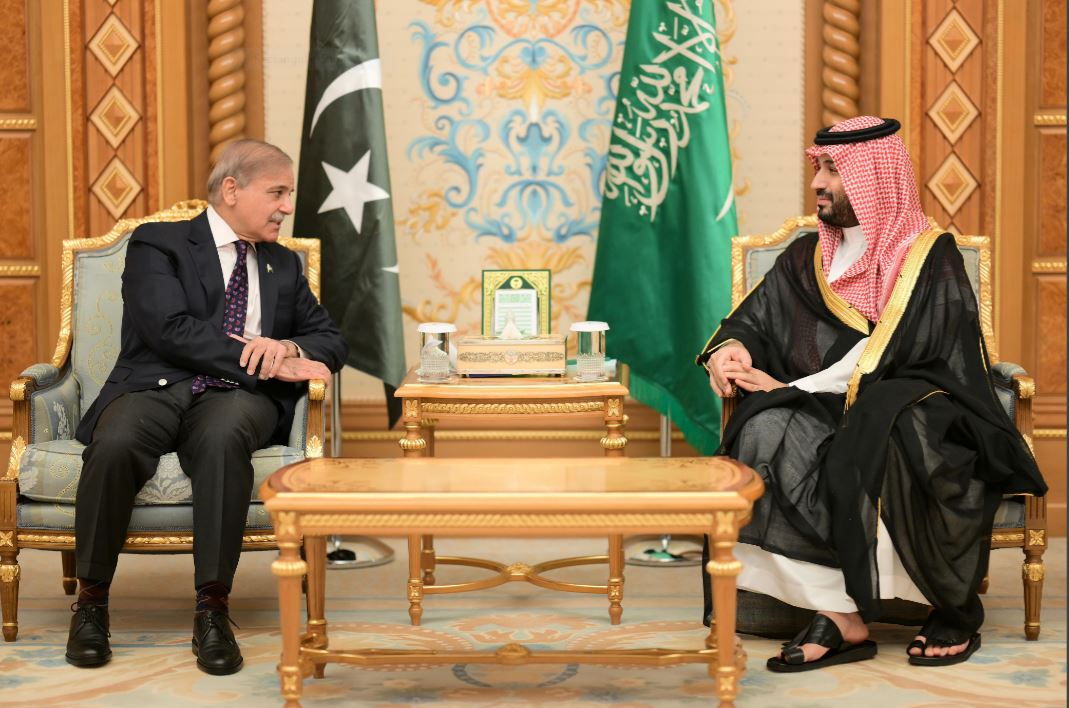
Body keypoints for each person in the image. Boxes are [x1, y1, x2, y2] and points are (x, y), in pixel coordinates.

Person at [696, 116, 1046, 671]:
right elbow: (752, 321)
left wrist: (794, 386)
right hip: (819, 406)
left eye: (833, 170)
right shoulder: (805, 257)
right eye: (819, 168)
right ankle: (839, 614)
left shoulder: (930, 256)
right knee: (762, 425)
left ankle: (935, 606)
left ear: (874, 178)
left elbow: (917, 350)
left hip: (914, 405)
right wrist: (731, 351)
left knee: (884, 428)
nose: (818, 183)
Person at [65, 139, 348, 674]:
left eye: (289, 195)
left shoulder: (283, 265)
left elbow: (331, 339)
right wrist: (259, 359)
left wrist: (289, 348)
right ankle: (92, 603)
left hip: (238, 397)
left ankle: (213, 610)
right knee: (116, 442)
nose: (287, 207)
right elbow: (167, 328)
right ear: (232, 190)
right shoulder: (159, 243)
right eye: (277, 193)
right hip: (154, 386)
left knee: (223, 441)